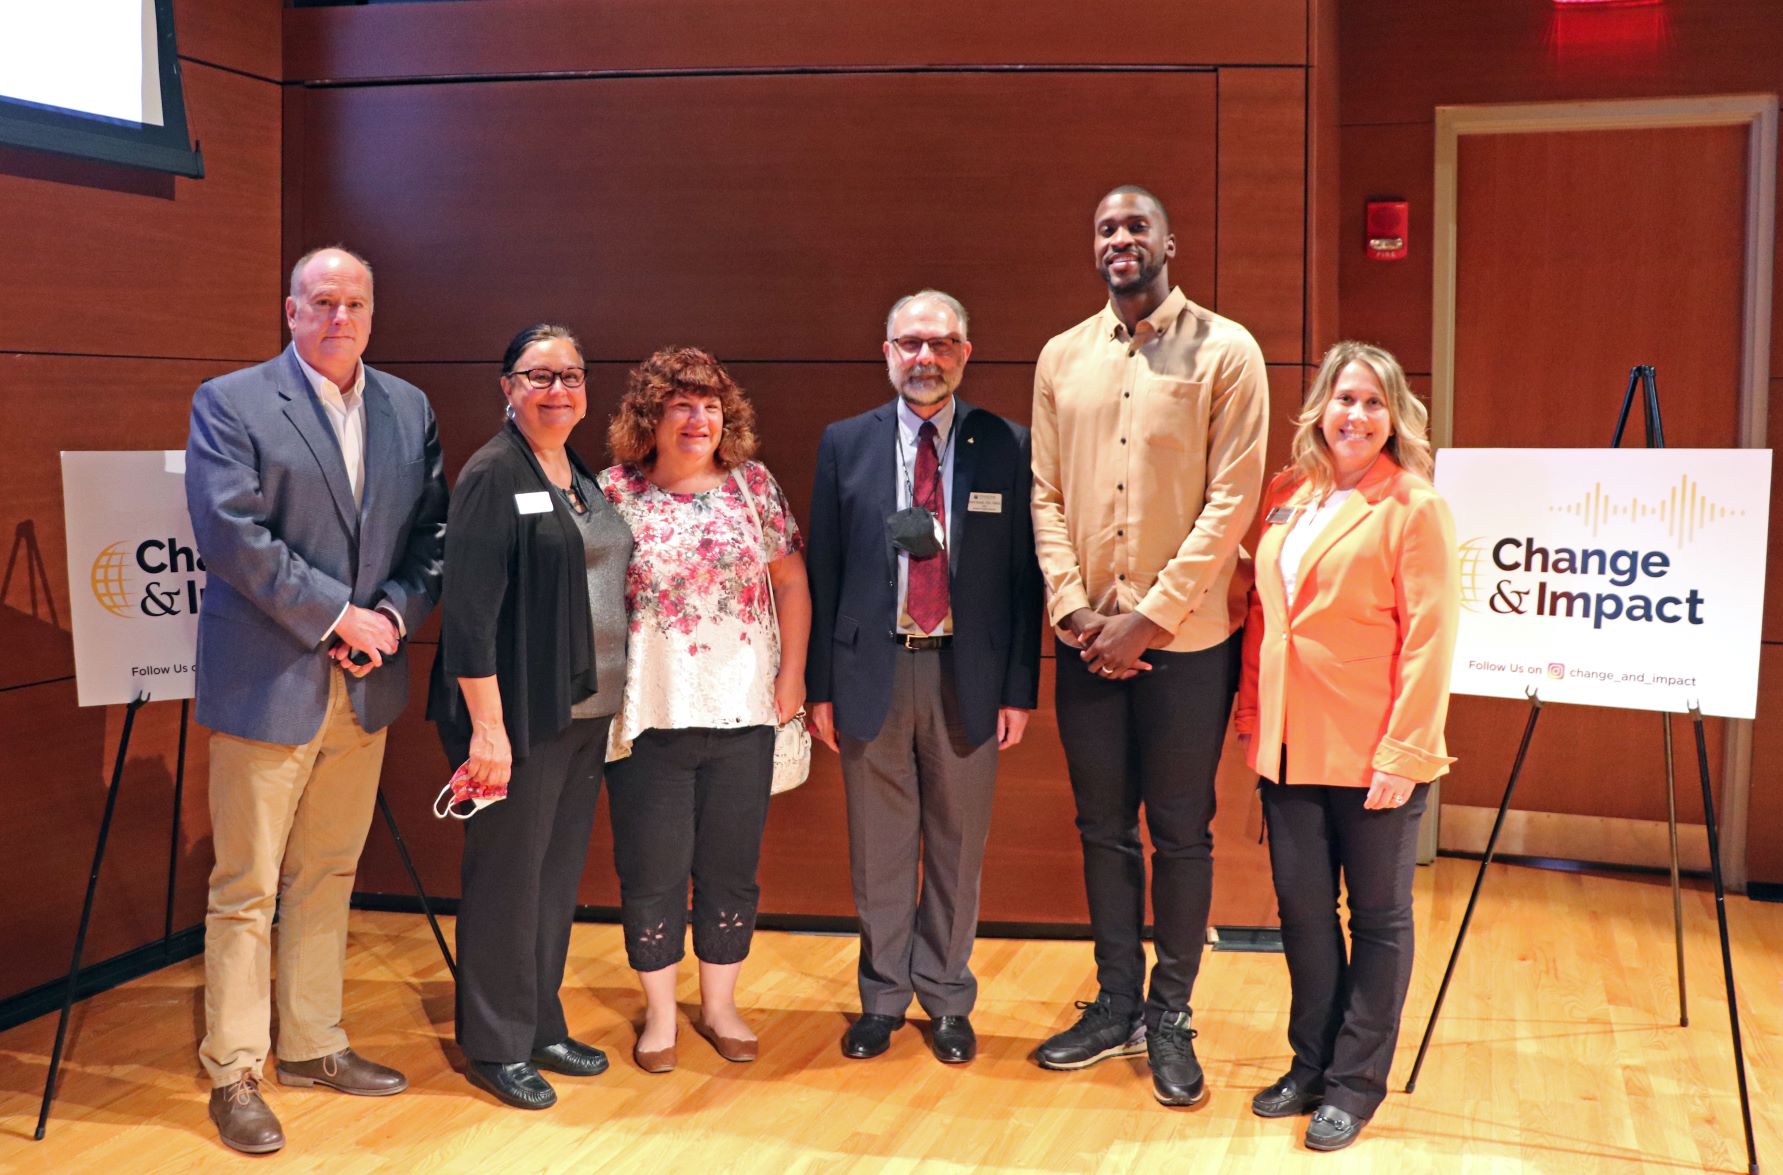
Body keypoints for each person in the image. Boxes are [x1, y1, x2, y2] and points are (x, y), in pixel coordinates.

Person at [184, 246, 446, 1154]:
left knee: (328, 871)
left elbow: (431, 535)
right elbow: (230, 532)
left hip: (364, 686)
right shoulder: (232, 400)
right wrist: (340, 616)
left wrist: (390, 619)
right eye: (322, 301)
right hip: (269, 680)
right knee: (247, 885)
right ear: (289, 310)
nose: (340, 317)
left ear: (374, 313)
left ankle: (312, 1043)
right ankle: (235, 1068)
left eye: (356, 303)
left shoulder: (407, 408)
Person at [1029, 185, 1268, 1106]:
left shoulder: (1227, 351)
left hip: (1188, 638)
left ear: (1169, 239)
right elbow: (1045, 494)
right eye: (1104, 227)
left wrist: (1152, 618)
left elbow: (1231, 500)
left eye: (1135, 225)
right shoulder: (1061, 357)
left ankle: (1170, 1013)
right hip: (1085, 634)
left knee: (1178, 830)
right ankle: (1115, 1002)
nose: (1120, 238)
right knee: (1099, 826)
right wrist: (1073, 609)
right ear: (1092, 246)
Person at [805, 291, 1042, 1065]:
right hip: (869, 669)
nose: (924, 359)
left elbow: (1020, 579)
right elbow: (825, 568)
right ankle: (881, 997)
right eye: (909, 343)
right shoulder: (845, 442)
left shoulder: (1007, 444)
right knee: (877, 848)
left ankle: (944, 997)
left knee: (955, 844)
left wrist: (1018, 688)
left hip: (964, 676)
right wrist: (819, 687)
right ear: (886, 352)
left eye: (940, 344)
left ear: (965, 353)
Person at [1233, 341, 1459, 1152]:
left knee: (1377, 919)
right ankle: (1311, 1061)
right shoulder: (1288, 494)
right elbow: (1265, 620)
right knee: (1301, 912)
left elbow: (1432, 639)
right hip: (1288, 747)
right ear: (1319, 408)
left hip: (1373, 752)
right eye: (1343, 399)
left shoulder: (1412, 504)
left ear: (1393, 415)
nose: (1355, 416)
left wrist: (1404, 751)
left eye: (1372, 402)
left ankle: (1356, 1083)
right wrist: (1254, 717)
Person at [426, 324, 632, 1110]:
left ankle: (540, 1021)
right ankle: (494, 1042)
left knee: (552, 879)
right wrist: (487, 731)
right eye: (538, 375)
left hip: (581, 712)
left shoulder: (573, 469)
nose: (557, 390)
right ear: (506, 386)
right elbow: (470, 619)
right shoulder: (490, 473)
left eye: (571, 376)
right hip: (514, 716)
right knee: (507, 880)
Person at [598, 346, 810, 1073]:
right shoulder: (614, 492)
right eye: (681, 405)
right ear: (649, 417)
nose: (698, 419)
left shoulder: (752, 485)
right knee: (650, 869)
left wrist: (793, 677)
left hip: (743, 710)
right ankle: (659, 1015)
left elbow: (790, 583)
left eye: (711, 406)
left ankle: (719, 1006)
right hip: (648, 713)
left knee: (730, 869)